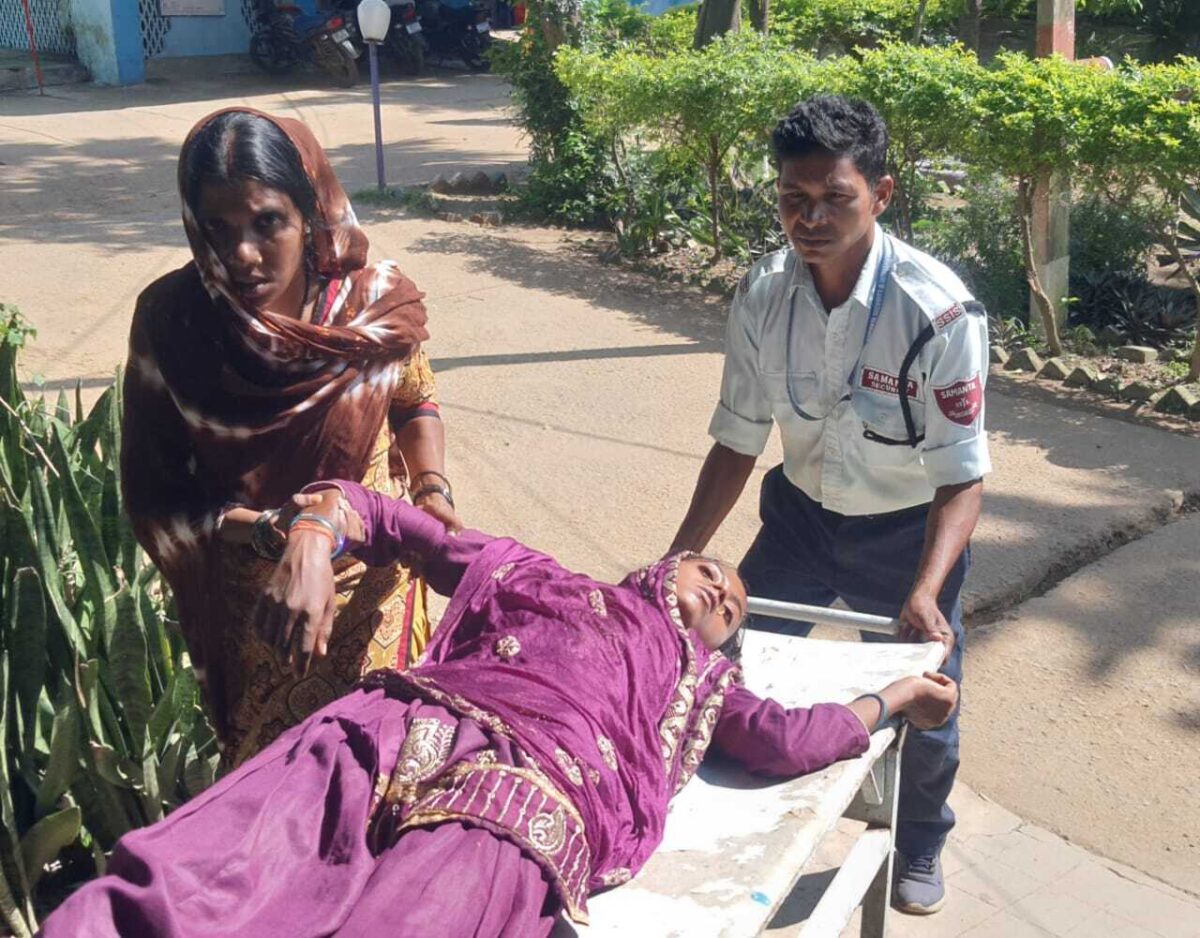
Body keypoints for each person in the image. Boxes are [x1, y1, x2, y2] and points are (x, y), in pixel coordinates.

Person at [38, 482, 958, 938]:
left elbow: (795, 740)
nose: (724, 589)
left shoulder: (707, 690)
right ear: (662, 564)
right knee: (191, 877)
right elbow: (386, 519)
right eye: (712, 569)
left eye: (735, 608)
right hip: (394, 730)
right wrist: (314, 532)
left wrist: (898, 694)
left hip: (522, 798)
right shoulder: (530, 575)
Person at [670, 95, 990, 915]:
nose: (809, 219)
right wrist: (681, 554)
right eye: (793, 198)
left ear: (881, 194)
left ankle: (920, 838)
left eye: (834, 199)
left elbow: (962, 474)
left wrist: (926, 589)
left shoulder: (939, 312)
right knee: (716, 656)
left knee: (928, 693)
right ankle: (711, 785)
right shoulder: (763, 294)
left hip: (907, 538)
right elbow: (738, 437)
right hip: (800, 523)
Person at [121, 108, 462, 766]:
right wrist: (267, 531)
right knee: (273, 788)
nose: (241, 255)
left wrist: (431, 489)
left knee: (383, 772)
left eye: (267, 222)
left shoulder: (371, 307)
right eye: (216, 229)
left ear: (311, 213)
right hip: (262, 618)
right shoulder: (174, 322)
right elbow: (157, 495)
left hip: (377, 595)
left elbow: (414, 398)